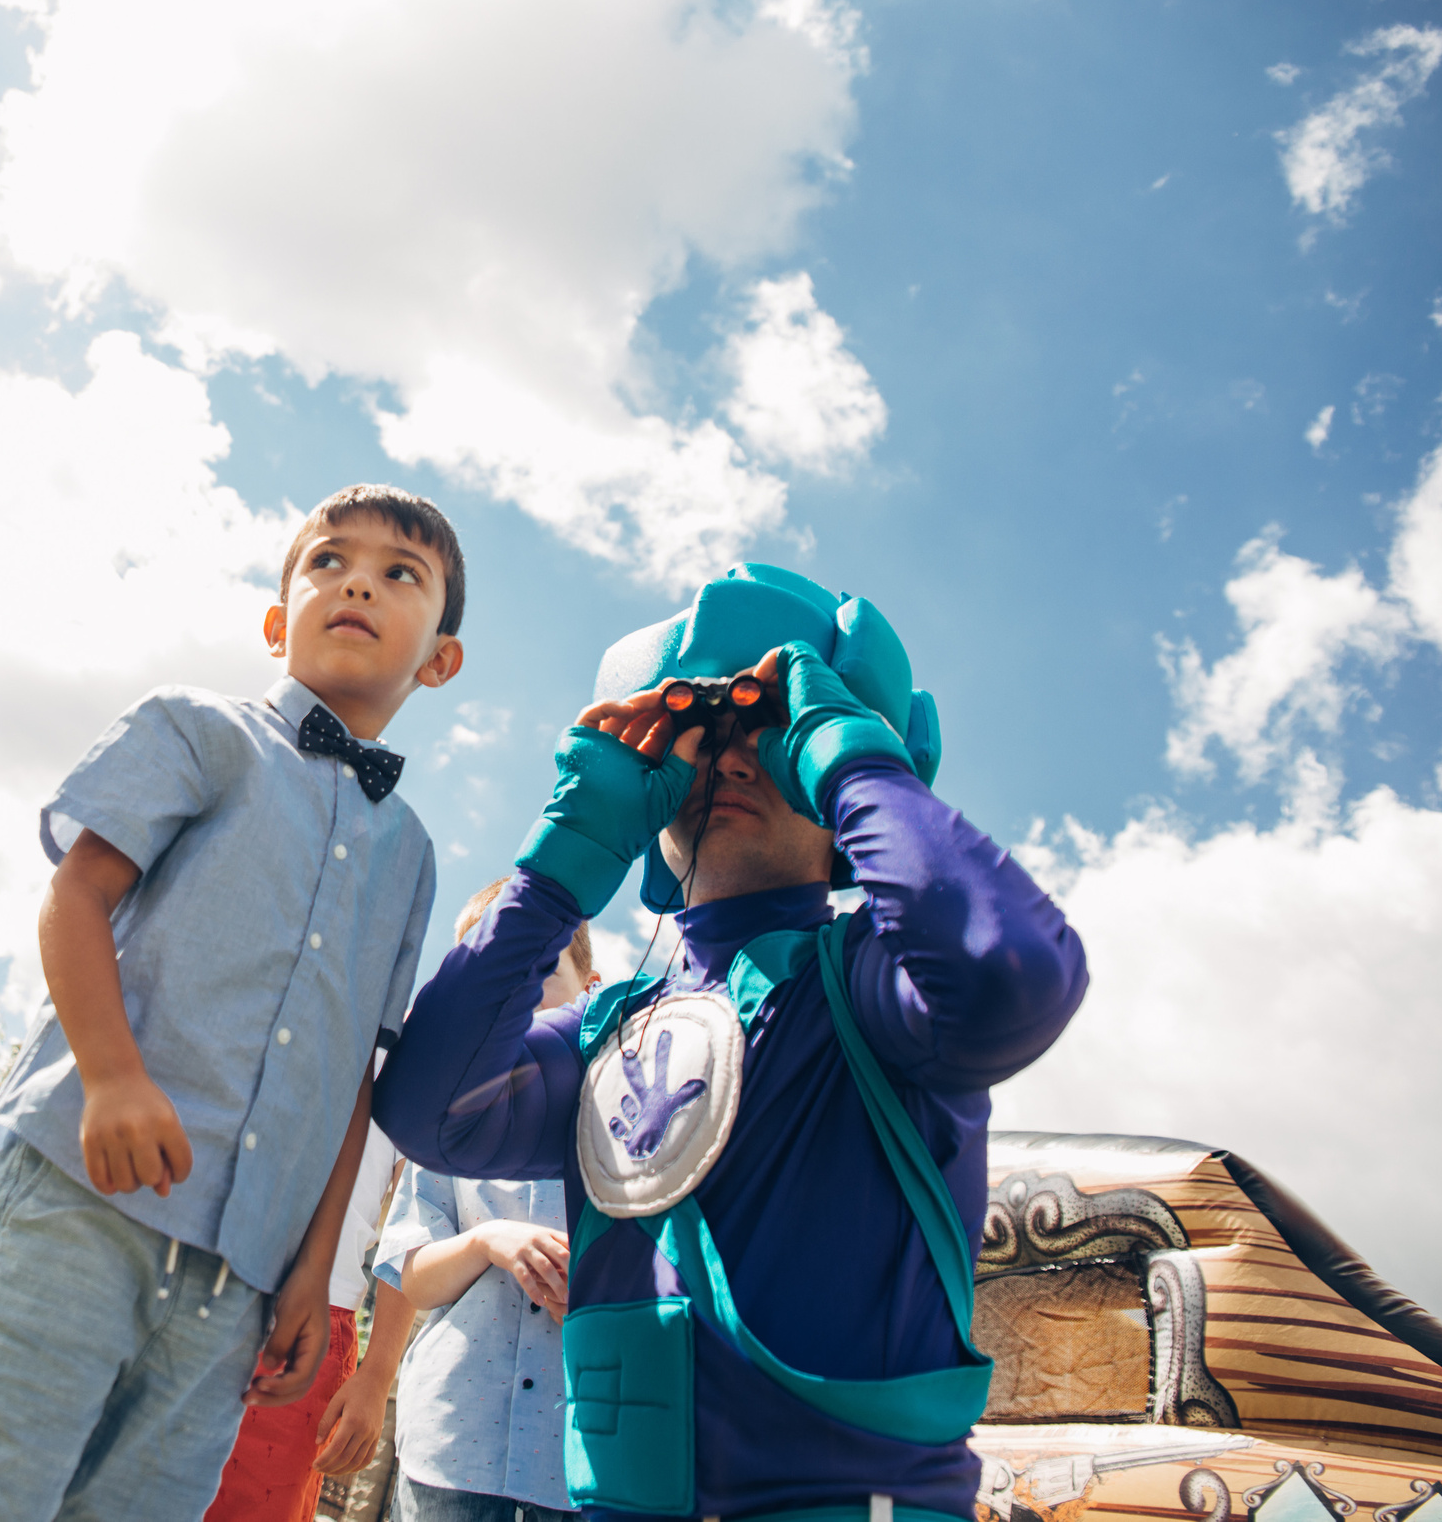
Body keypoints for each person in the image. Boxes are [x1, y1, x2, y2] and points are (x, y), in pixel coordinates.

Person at [373, 563, 1089, 1522]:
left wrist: (844, 752)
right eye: (697, 735)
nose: (732, 758)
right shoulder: (607, 1025)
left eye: (768, 731)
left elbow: (1009, 975)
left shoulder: (876, 981)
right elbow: (431, 1112)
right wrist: (560, 864)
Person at [0, 484, 468, 1522]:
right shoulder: (198, 730)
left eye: (399, 575)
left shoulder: (412, 857)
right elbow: (75, 893)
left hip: (239, 1277)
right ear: (276, 616)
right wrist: (111, 1077)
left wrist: (310, 1272)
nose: (358, 583)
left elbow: (353, 1082)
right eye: (328, 562)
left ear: (439, 658)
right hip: (84, 1192)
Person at [375, 878, 599, 1522]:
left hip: (579, 1465)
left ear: (591, 986)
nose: (513, 998)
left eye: (539, 971)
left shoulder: (628, 1112)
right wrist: (485, 1241)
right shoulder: (443, 1135)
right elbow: (411, 1278)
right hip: (452, 1451)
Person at [200, 1109, 401, 1522]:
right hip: (200, 1277)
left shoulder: (426, 1062)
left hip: (314, 1328)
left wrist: (379, 1373)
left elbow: (411, 1227)